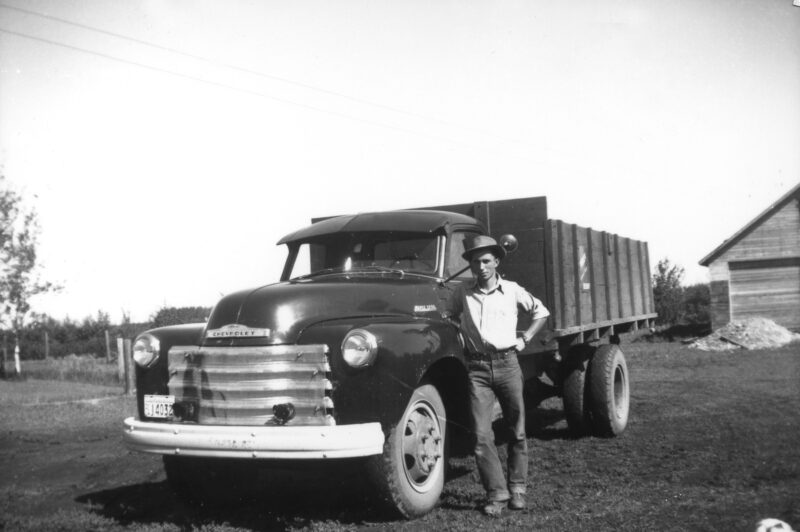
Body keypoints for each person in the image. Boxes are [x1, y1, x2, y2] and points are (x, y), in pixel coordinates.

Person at [445, 234, 550, 516]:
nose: (481, 267)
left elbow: (541, 312)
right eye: (475, 261)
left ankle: (518, 489)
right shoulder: (462, 292)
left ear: (497, 262)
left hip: (508, 365)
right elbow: (449, 317)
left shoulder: (513, 290)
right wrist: (462, 336)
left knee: (517, 431)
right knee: (480, 436)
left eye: (486, 261)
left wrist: (525, 338)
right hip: (477, 370)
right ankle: (497, 493)